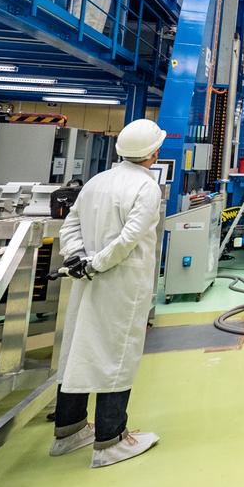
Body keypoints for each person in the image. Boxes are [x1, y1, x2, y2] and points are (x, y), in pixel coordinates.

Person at [50, 118, 164, 468]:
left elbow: (69, 225)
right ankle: (111, 440)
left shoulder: (98, 181)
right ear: (153, 153)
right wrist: (96, 263)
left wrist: (78, 258)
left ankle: (68, 431)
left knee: (79, 350)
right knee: (116, 355)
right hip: (120, 282)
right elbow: (129, 239)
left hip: (88, 278)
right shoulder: (147, 188)